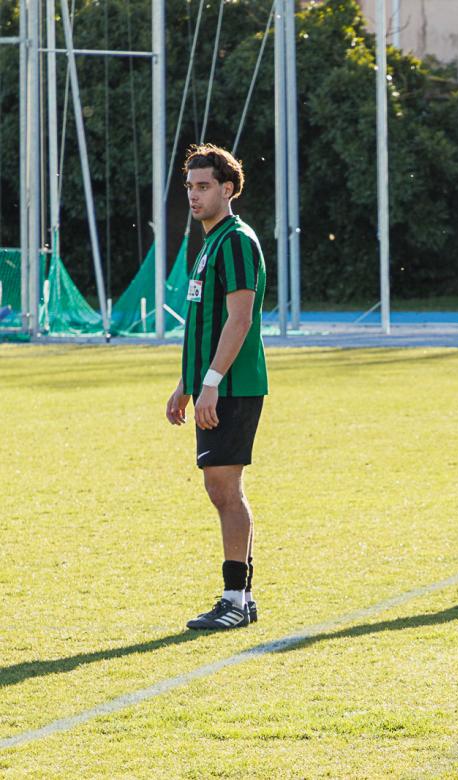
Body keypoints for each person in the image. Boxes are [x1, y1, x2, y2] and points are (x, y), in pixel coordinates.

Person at [166, 144, 268, 631]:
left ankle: (235, 600)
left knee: (224, 489)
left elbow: (239, 319)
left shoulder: (236, 240)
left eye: (204, 186)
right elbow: (204, 325)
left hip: (232, 385)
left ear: (228, 189)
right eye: (190, 186)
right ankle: (240, 597)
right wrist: (186, 384)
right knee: (222, 489)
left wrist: (210, 383)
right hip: (214, 385)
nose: (194, 194)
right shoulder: (211, 243)